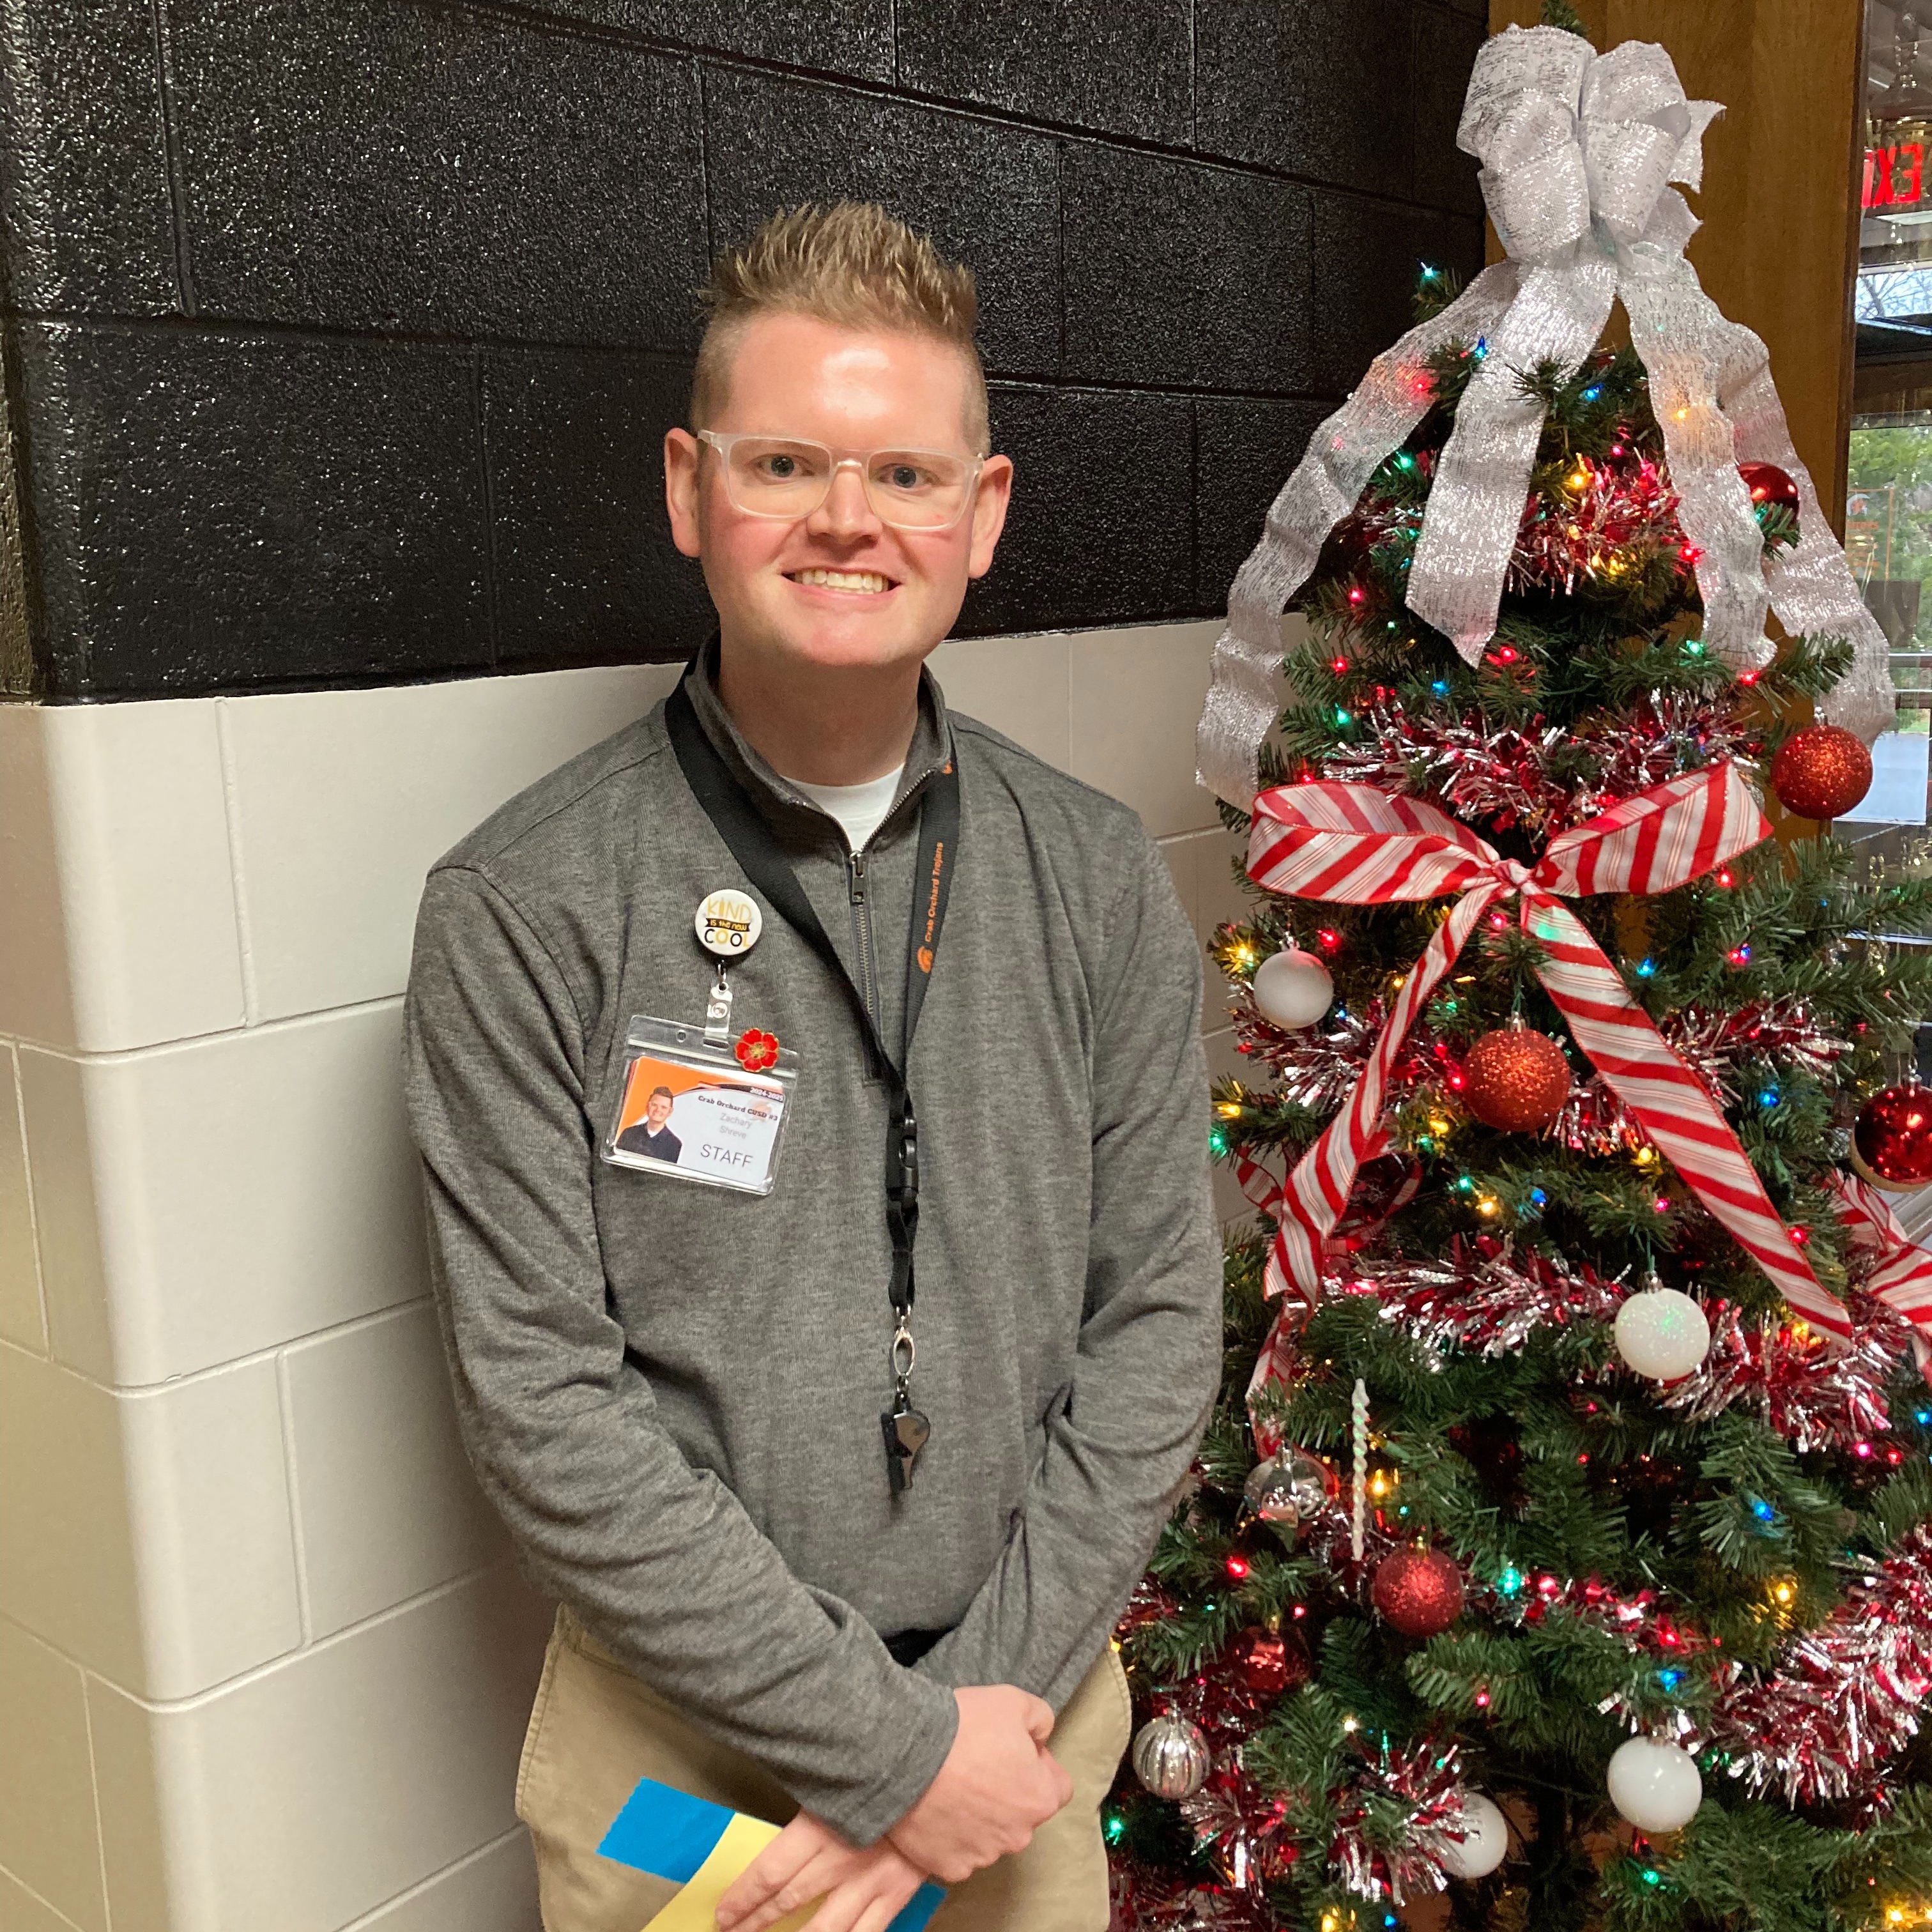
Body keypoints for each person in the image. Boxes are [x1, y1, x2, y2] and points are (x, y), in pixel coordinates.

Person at [402, 201, 1220, 1932]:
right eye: (787, 462)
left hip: (1020, 1724)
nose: (850, 519)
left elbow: (1156, 1324)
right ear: (693, 490)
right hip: (683, 1774)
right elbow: (545, 1411)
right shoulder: (525, 902)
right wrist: (882, 1749)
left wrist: (952, 1747)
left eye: (909, 476)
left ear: (980, 517)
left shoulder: (1089, 876)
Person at [615, 1084, 683, 1163]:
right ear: (647, 1106)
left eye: (664, 1107)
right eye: (654, 1105)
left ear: (670, 1112)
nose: (658, 1110)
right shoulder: (629, 1133)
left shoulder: (674, 1145)